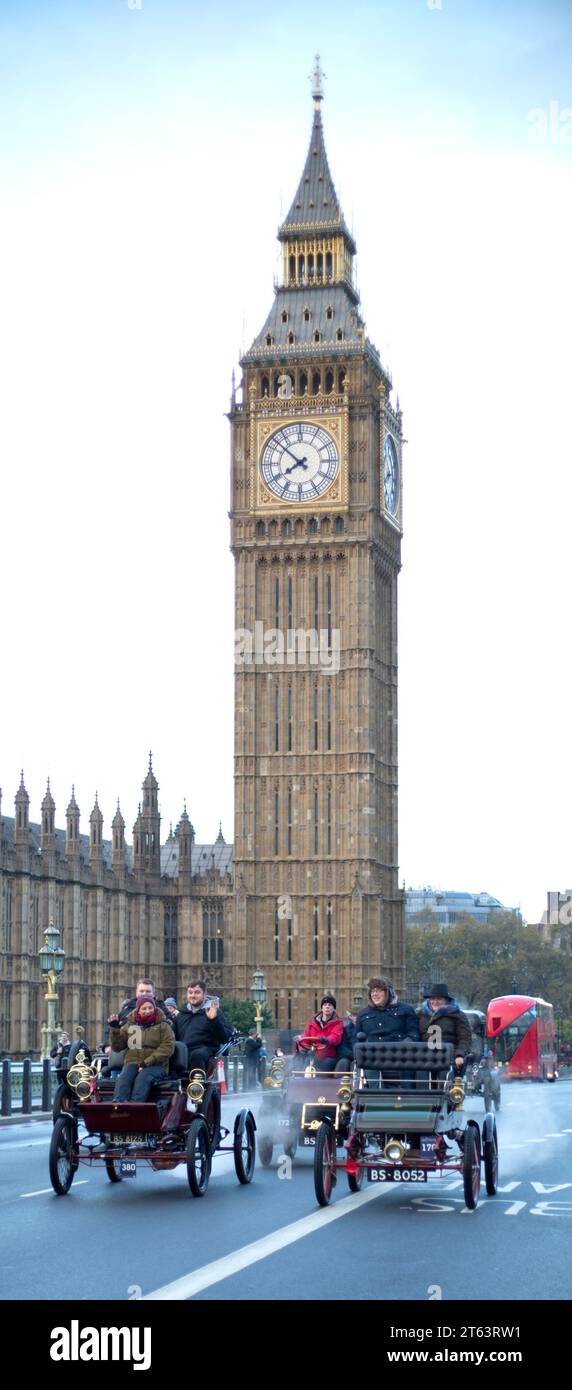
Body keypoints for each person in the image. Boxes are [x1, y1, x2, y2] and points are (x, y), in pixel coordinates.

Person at [108, 995, 175, 1101]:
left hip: (156, 1066)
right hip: (133, 1063)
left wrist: (146, 1062)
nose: (147, 1011)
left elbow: (167, 1048)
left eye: (150, 1008)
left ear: (155, 1008)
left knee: (143, 1078)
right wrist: (115, 1029)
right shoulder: (130, 1026)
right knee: (123, 1078)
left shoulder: (163, 1026)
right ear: (138, 1010)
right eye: (144, 1008)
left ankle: (136, 1107)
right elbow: (117, 1047)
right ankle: (119, 1107)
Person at [171, 980, 232, 1073]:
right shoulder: (182, 1014)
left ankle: (197, 1085)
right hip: (184, 1050)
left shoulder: (214, 1012)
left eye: (197, 992)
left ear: (205, 994)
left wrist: (213, 1020)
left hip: (204, 1050)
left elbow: (224, 1038)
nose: (193, 996)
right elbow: (172, 1036)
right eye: (190, 992)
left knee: (197, 1054)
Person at [418, 984, 472, 1071]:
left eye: (439, 999)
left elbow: (465, 1038)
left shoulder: (458, 1015)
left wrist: (459, 1055)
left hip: (449, 1056)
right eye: (433, 999)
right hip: (424, 1056)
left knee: (445, 1076)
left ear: (446, 1000)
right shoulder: (420, 1014)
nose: (435, 1002)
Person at [355, 978, 420, 1043]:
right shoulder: (363, 1014)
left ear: (388, 992)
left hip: (398, 1050)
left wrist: (404, 1047)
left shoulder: (406, 1010)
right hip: (370, 1051)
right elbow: (356, 1039)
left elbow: (413, 1035)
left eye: (379, 990)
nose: (374, 994)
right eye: (372, 991)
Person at [295, 994, 344, 1072]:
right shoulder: (312, 1023)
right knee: (298, 1060)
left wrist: (326, 1040)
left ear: (334, 1008)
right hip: (312, 1053)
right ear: (322, 1008)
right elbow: (306, 1037)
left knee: (324, 1064)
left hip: (328, 1055)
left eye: (330, 1005)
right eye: (325, 1005)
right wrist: (301, 1043)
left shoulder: (338, 1023)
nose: (327, 1007)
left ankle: (322, 1082)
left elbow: (336, 1037)